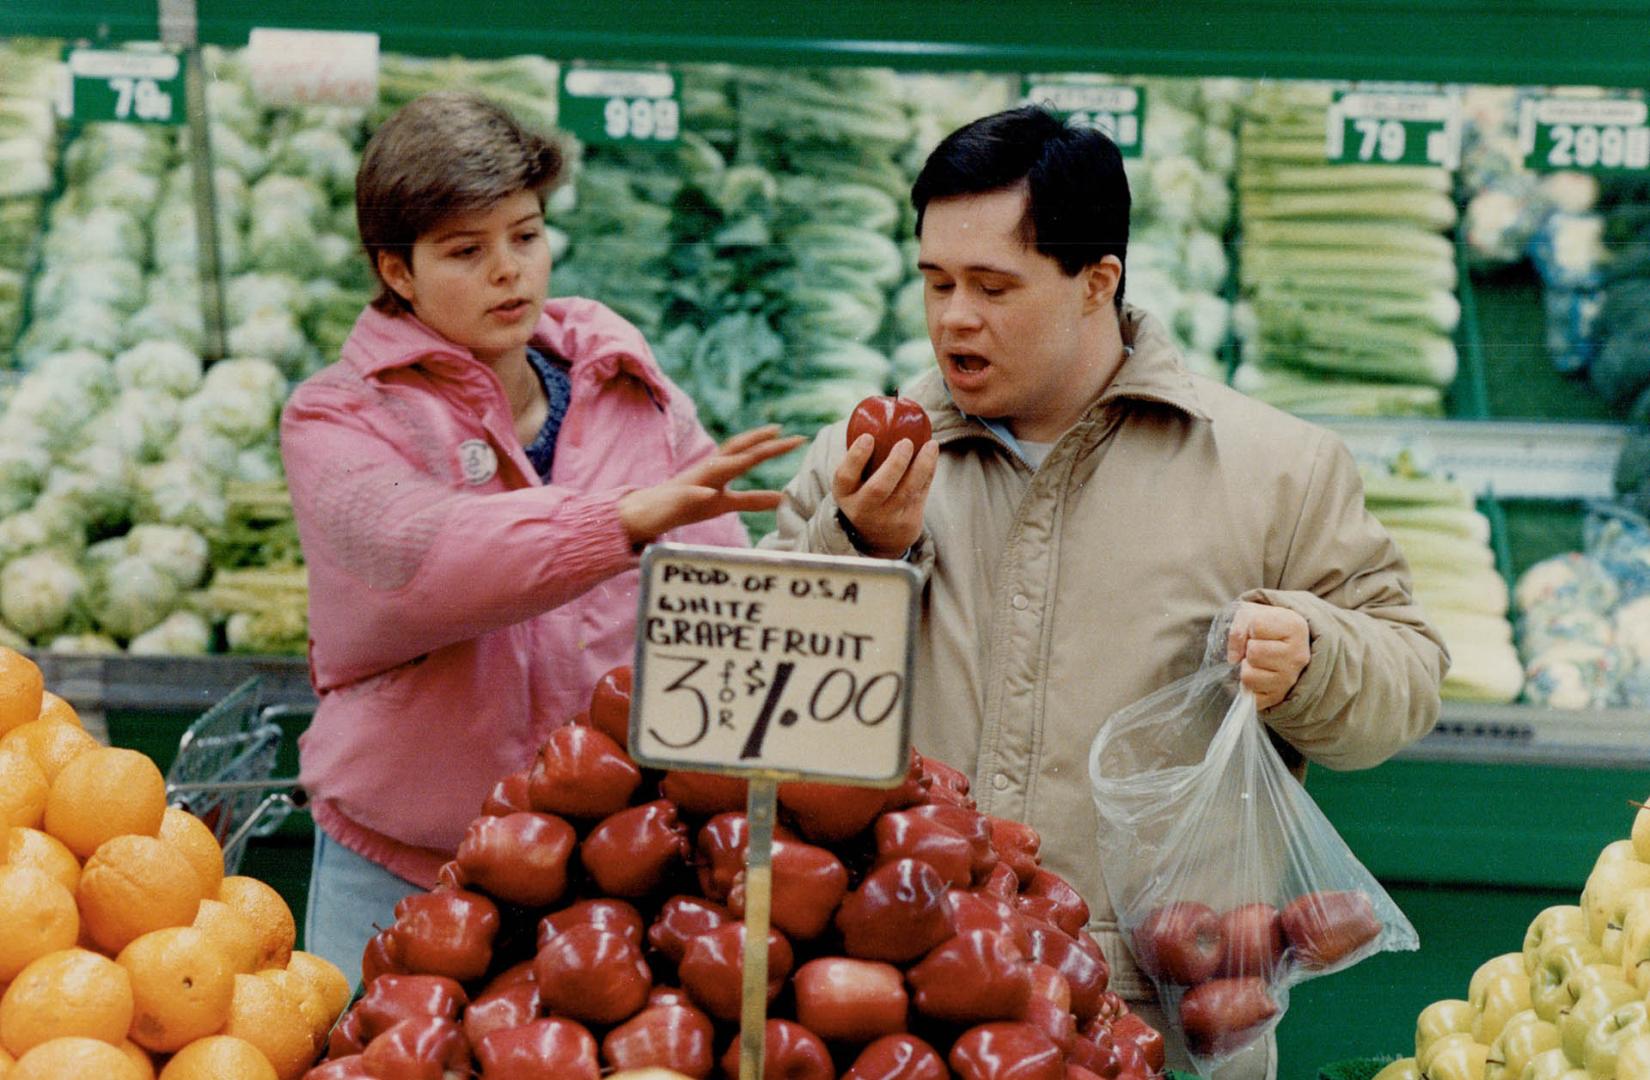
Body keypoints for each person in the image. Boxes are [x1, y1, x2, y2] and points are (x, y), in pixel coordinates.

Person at [760, 105, 1448, 1078]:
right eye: (936, 281)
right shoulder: (860, 462)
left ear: (1098, 282)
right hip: (894, 1014)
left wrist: (1314, 655)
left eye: (993, 286)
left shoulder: (1275, 471)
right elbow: (758, 720)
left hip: (1152, 1020)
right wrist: (853, 549)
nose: (955, 315)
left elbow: (1405, 690)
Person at [280, 91, 801, 988]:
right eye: (465, 251)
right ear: (396, 271)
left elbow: (721, 601)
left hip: (616, 875)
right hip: (404, 867)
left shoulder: (624, 381)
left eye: (525, 236)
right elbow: (429, 561)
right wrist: (618, 520)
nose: (509, 272)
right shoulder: (337, 418)